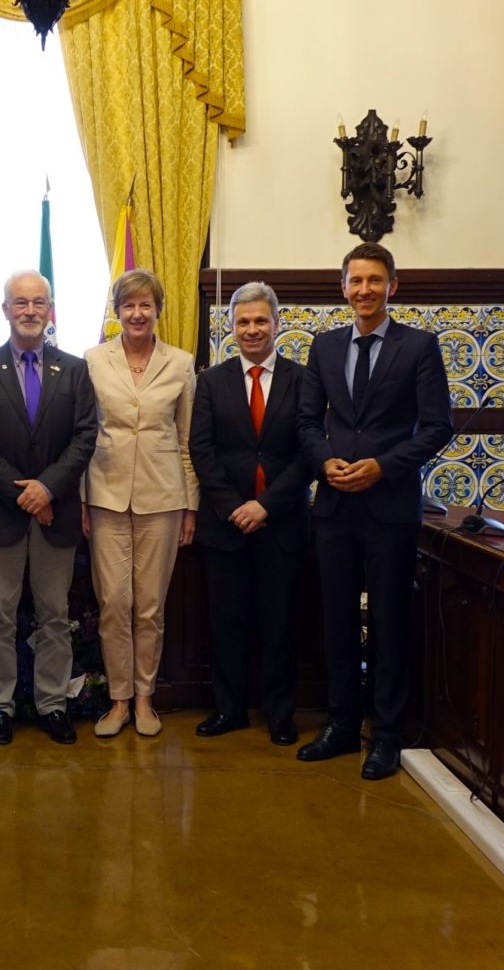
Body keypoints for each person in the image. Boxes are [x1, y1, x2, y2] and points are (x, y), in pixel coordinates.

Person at [295, 243, 454, 779]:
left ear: (392, 286)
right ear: (343, 287)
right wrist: (325, 462)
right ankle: (342, 725)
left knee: (389, 621)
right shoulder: (324, 346)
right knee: (337, 620)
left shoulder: (420, 346)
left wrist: (382, 467)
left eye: (374, 280)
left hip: (390, 506)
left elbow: (437, 427)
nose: (365, 289)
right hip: (335, 505)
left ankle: (386, 734)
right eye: (356, 280)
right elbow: (306, 423)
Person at [0, 270, 98, 746]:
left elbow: (85, 436)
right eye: (21, 302)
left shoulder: (74, 370)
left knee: (55, 615)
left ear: (50, 309)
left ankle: (52, 704)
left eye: (39, 302)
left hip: (56, 514)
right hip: (1, 514)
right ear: (5, 310)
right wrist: (25, 493)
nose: (31, 311)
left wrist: (47, 488)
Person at [188, 282, 308, 747]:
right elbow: (201, 449)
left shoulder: (303, 380)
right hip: (226, 525)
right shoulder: (211, 381)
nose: (252, 329)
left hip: (282, 523)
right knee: (227, 623)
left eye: (261, 320)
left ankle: (280, 714)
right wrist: (233, 506)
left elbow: (307, 453)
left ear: (277, 323)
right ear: (231, 327)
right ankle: (229, 709)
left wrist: (265, 505)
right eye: (243, 322)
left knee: (280, 623)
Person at [81, 268, 198, 738]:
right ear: (116, 311)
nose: (136, 313)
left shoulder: (181, 363)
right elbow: (83, 434)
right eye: (128, 305)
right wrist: (82, 499)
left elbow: (186, 440)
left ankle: (145, 699)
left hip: (163, 497)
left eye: (145, 305)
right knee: (113, 603)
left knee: (150, 606)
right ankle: (118, 701)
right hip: (105, 494)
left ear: (158, 311)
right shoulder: (92, 361)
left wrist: (190, 504)